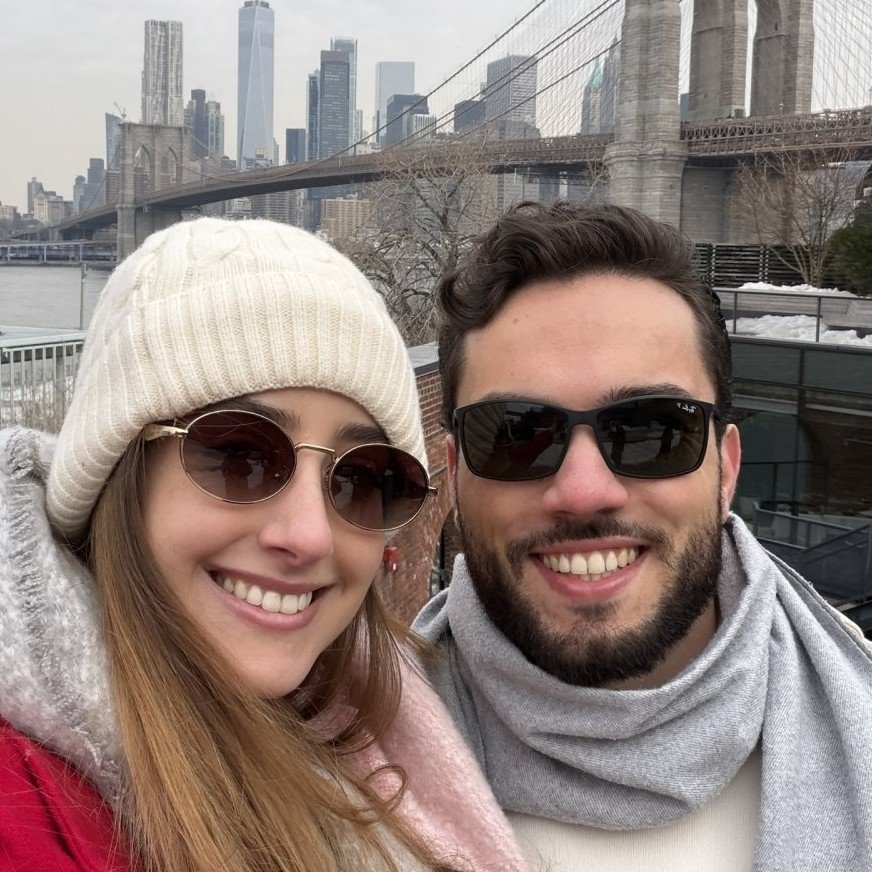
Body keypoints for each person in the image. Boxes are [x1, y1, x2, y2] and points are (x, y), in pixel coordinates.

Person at [0, 218, 532, 872]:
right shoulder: (21, 811)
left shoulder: (374, 715)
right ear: (121, 476)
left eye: (364, 478)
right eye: (240, 457)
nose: (308, 535)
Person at [413, 201, 872, 872]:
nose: (583, 491)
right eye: (516, 435)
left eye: (652, 429)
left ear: (726, 471)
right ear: (454, 477)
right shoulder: (334, 770)